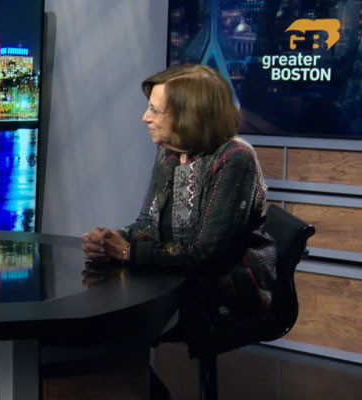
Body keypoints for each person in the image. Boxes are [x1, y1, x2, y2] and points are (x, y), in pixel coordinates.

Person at [82, 63, 277, 391]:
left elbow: (206, 253)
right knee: (102, 317)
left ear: (190, 116)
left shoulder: (235, 159)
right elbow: (148, 222)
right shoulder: (170, 153)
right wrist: (114, 239)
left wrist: (130, 252)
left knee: (119, 323)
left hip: (228, 289)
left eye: (155, 111)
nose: (145, 117)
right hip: (180, 276)